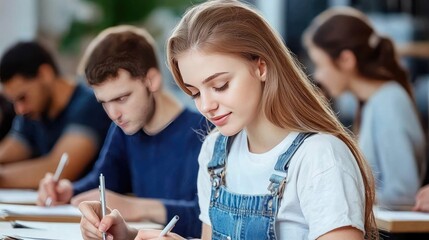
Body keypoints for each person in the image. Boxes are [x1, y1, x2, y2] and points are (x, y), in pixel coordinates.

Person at [79, 1, 379, 239]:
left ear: (261, 67)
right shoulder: (215, 151)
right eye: (194, 92)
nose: (206, 105)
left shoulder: (320, 157)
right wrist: (130, 236)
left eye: (220, 85)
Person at [38, 25, 208, 237]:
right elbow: (103, 182)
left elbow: (208, 219)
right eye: (104, 102)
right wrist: (67, 190)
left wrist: (137, 207)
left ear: (152, 80)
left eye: (121, 98)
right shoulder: (125, 127)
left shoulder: (204, 134)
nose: (113, 113)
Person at [303, 7, 426, 209]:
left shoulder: (389, 101)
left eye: (320, 64)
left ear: (346, 60)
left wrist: (342, 193)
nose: (318, 76)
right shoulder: (372, 102)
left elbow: (403, 193)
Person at [0, 41, 110, 189]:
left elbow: (59, 170)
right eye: (14, 102)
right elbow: (7, 154)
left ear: (45, 74)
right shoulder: (32, 113)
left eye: (22, 97)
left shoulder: (90, 104)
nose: (19, 109)